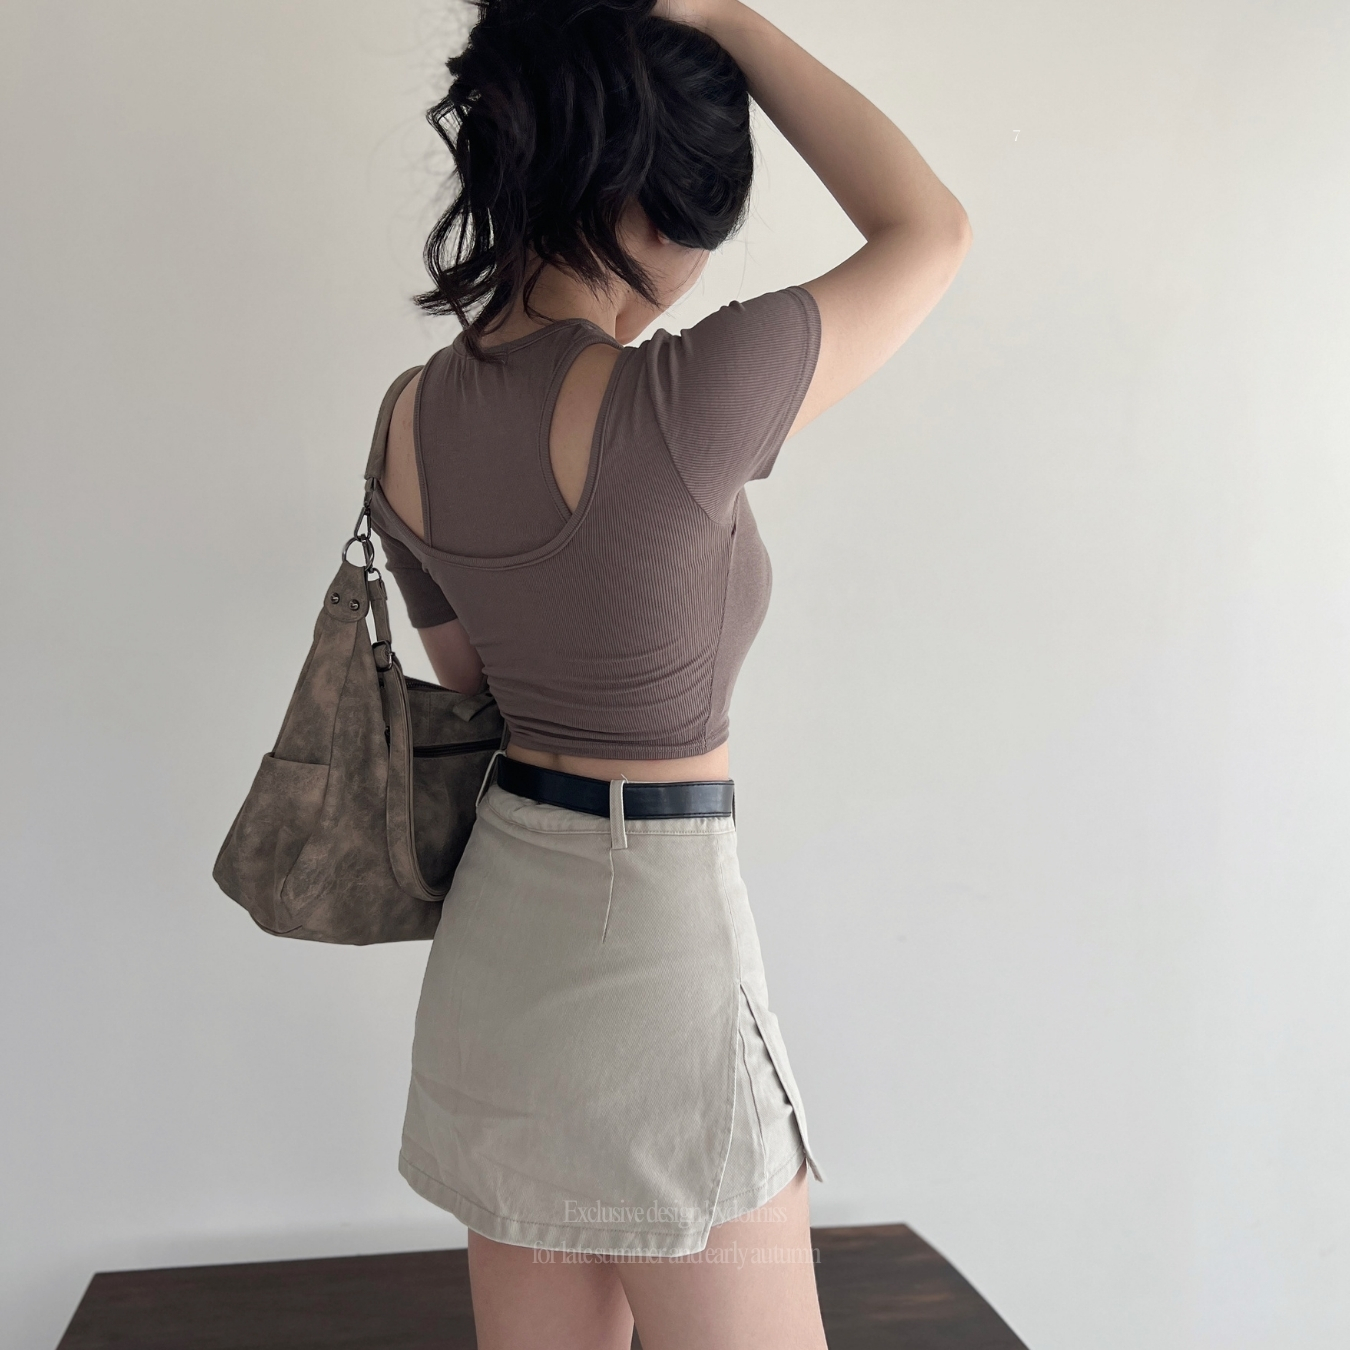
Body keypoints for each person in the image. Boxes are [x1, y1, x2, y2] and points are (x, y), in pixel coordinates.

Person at [369, 0, 970, 1345]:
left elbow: (478, 680)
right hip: (655, 957)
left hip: (495, 961)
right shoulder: (681, 401)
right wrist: (723, 17)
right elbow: (928, 229)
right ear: (649, 203)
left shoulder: (406, 418)